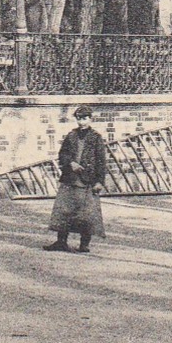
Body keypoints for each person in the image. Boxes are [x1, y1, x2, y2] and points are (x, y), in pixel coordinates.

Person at [45, 105, 108, 253]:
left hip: (88, 181)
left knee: (87, 214)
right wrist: (71, 163)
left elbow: (101, 161)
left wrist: (99, 181)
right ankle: (61, 242)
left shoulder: (96, 138)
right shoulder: (71, 136)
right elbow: (63, 154)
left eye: (85, 118)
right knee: (64, 211)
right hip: (70, 179)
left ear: (90, 119)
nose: (81, 122)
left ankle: (84, 244)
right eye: (79, 118)